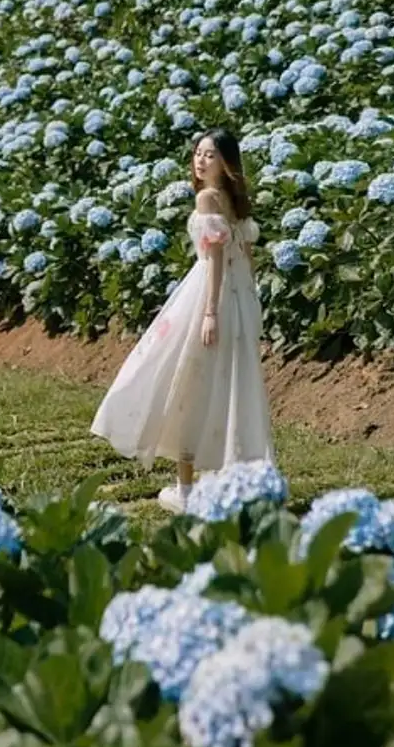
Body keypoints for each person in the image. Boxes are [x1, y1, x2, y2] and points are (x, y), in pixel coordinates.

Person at [90, 128, 274, 512]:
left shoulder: (207, 198)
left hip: (209, 293)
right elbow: (247, 257)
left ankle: (186, 490)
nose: (201, 160)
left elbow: (216, 258)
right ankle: (227, 478)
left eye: (210, 154)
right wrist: (248, 300)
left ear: (226, 162)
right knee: (227, 385)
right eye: (198, 153)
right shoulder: (234, 200)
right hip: (239, 297)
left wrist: (210, 311)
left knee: (188, 383)